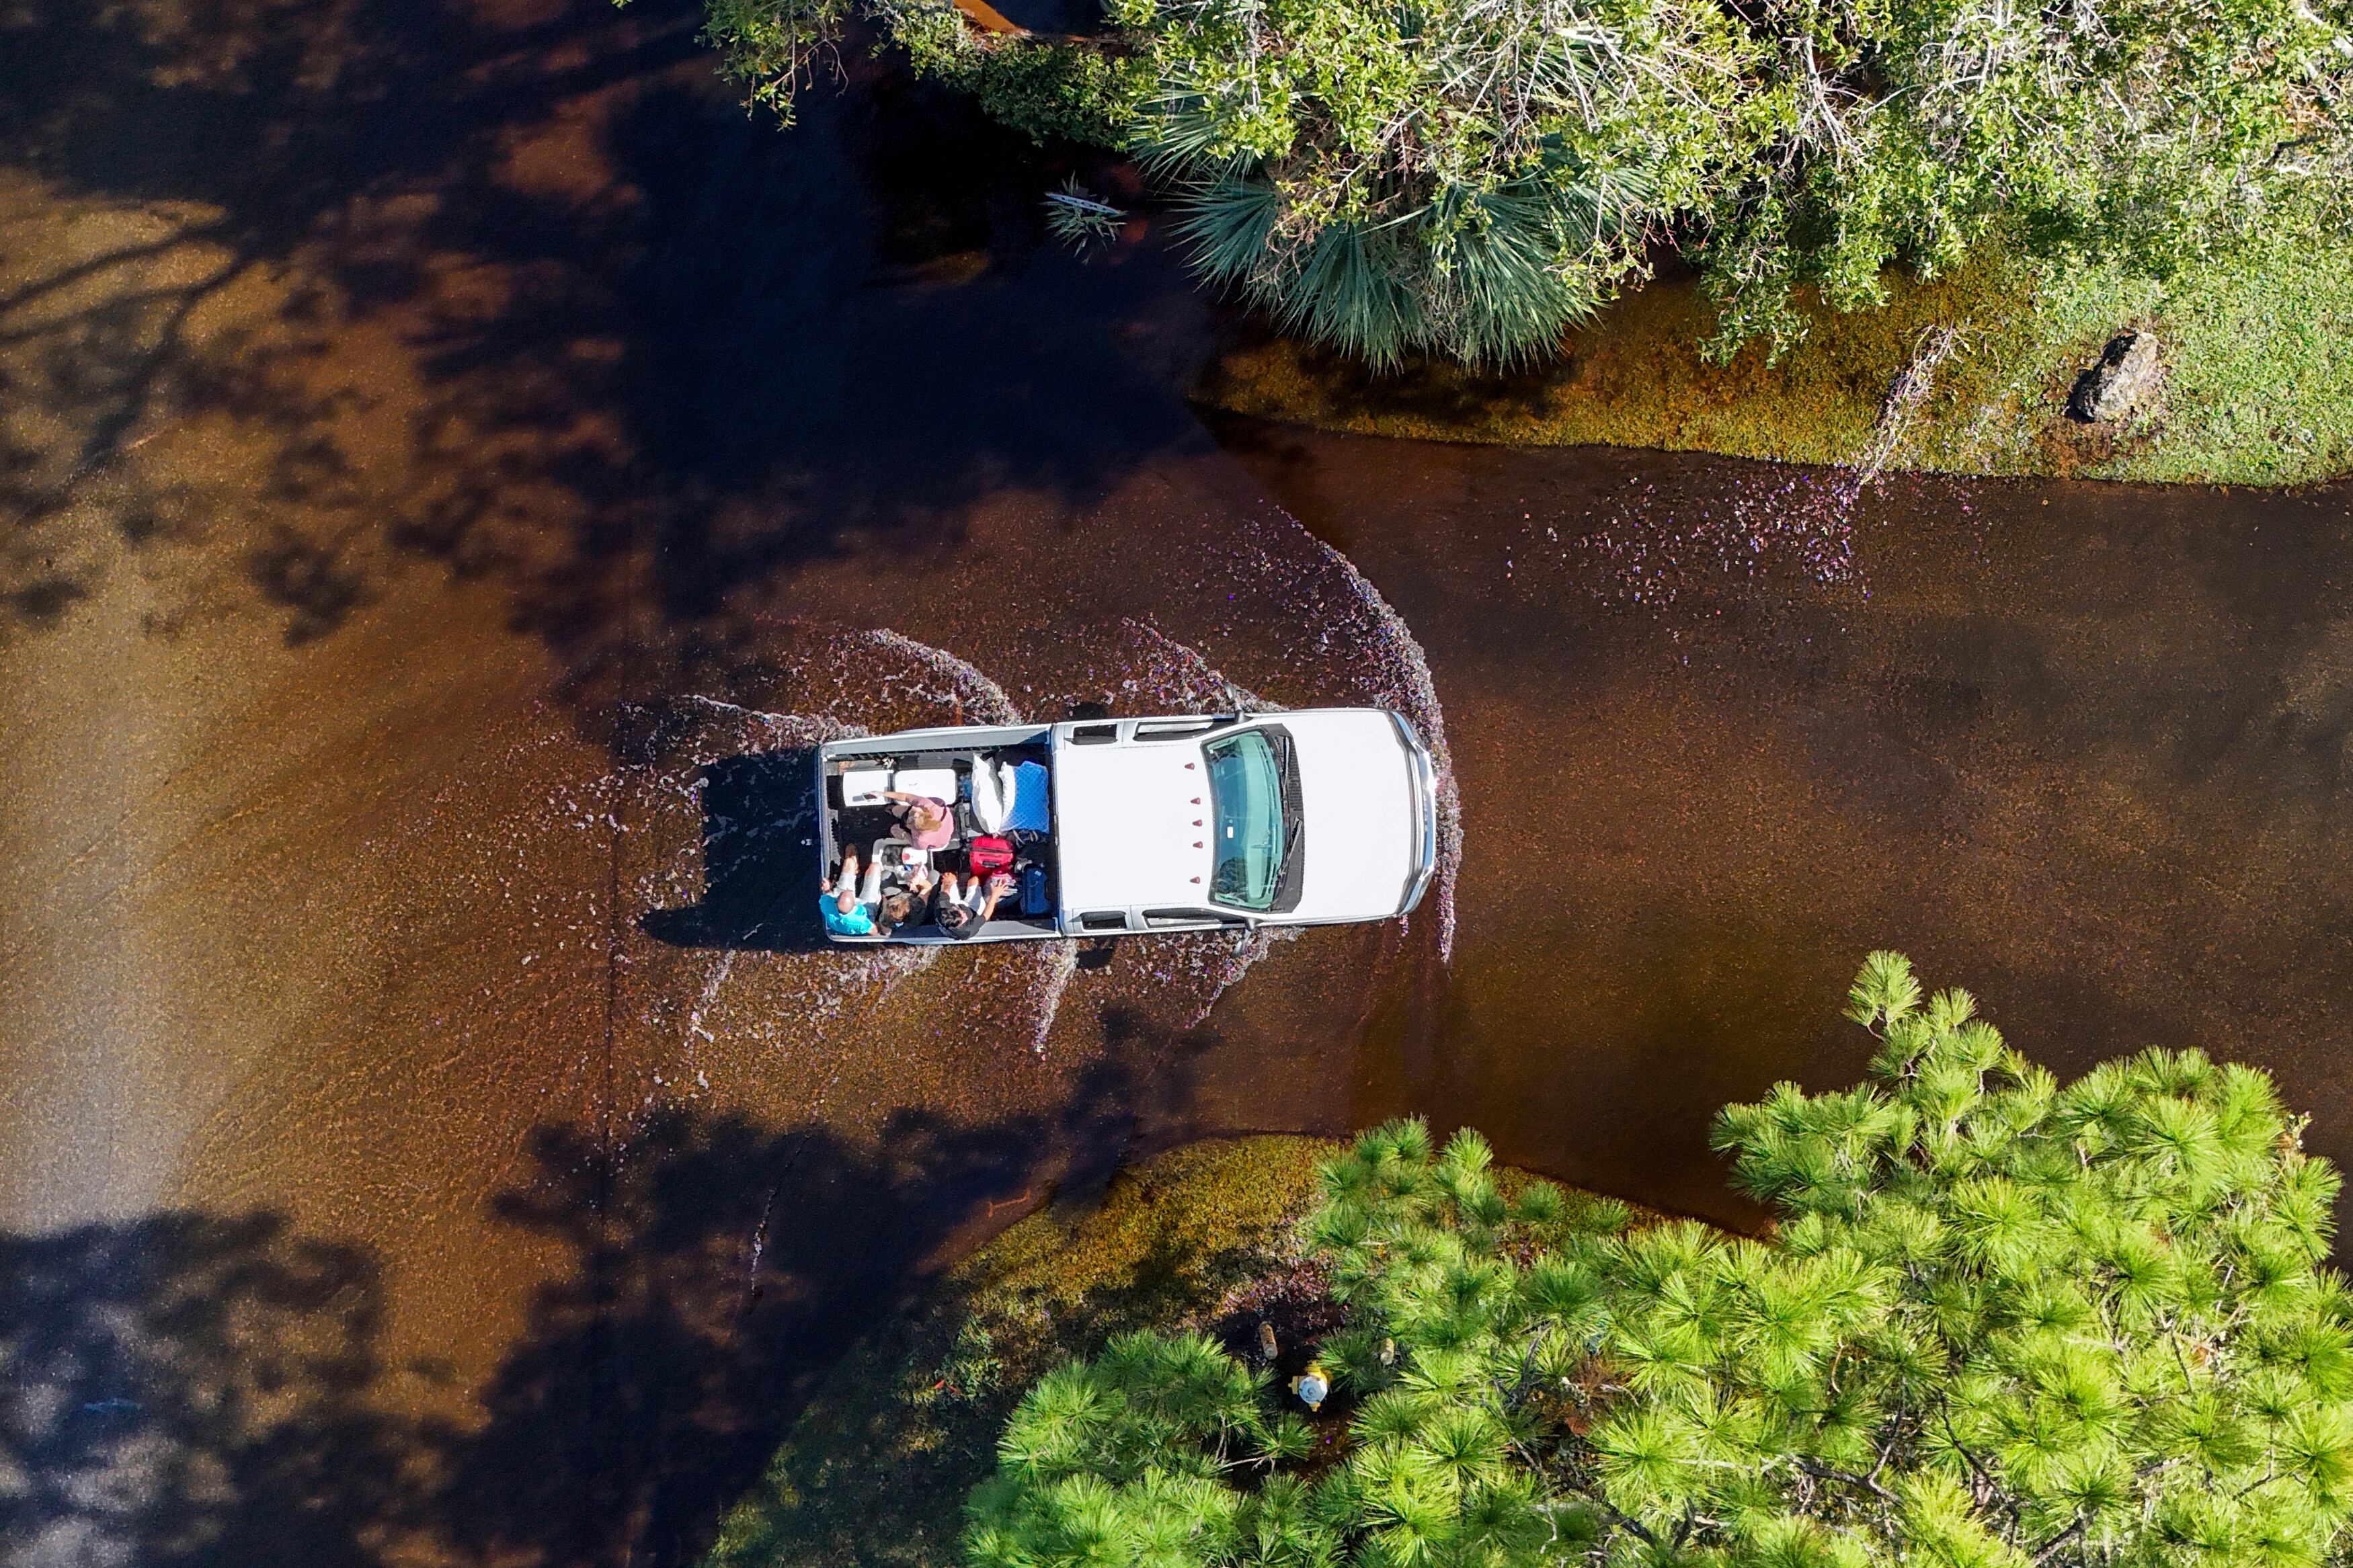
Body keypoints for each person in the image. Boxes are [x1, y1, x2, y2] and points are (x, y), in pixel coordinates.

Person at [819, 849, 884, 937]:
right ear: (855, 905)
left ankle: (856, 868)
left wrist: (828, 889)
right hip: (865, 910)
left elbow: (827, 894)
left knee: (850, 861)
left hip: (844, 907)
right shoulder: (860, 922)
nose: (848, 890)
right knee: (875, 867)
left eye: (845, 892)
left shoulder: (827, 905)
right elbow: (874, 931)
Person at [934, 870, 1013, 939]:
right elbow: (986, 915)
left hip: (956, 903)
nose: (964, 913)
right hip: (975, 912)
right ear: (960, 925)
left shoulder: (941, 907)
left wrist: (949, 881)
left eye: (961, 912)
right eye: (964, 916)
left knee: (972, 880)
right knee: (976, 881)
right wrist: (995, 895)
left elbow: (945, 892)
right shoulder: (968, 929)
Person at [881, 790, 957, 850]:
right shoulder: (929, 806)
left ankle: (896, 833)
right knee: (898, 810)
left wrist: (905, 834)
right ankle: (893, 810)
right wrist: (883, 793)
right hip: (947, 821)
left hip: (939, 842)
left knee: (894, 829)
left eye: (910, 822)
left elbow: (919, 847)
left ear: (916, 830)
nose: (913, 808)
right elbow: (906, 797)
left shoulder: (921, 839)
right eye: (915, 813)